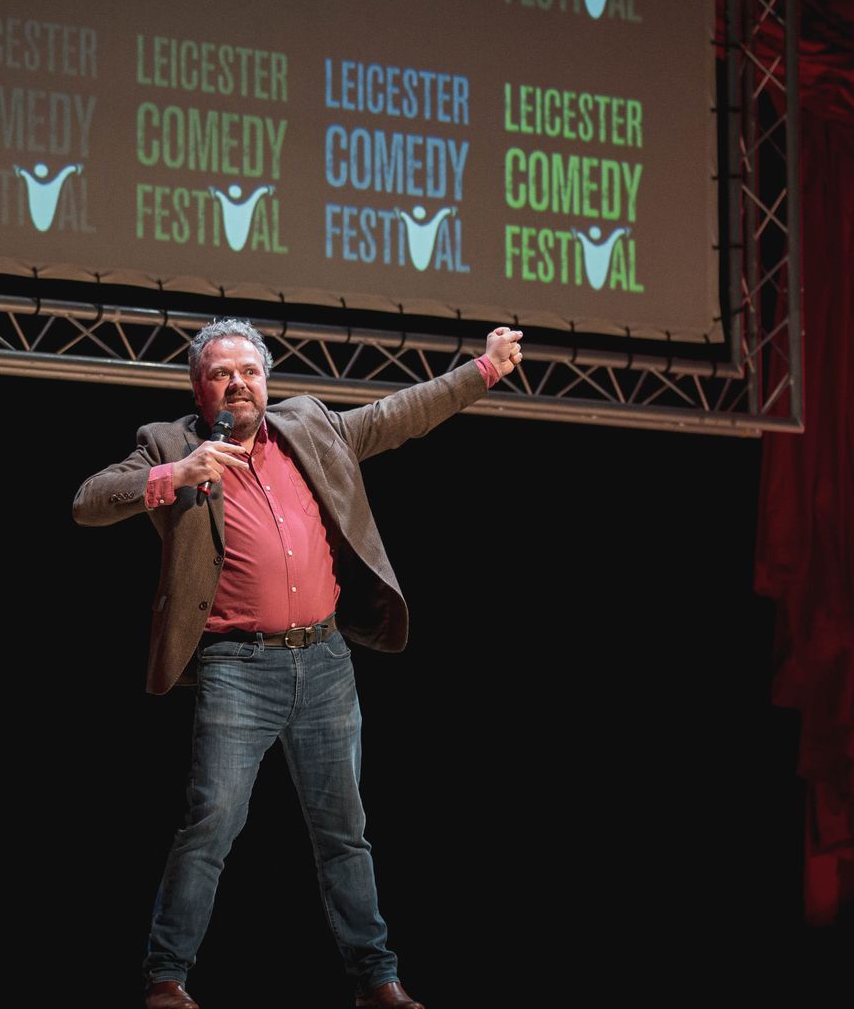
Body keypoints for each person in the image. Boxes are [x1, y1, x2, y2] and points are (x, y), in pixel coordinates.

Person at [73, 318, 525, 1009]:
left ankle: (378, 980)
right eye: (222, 373)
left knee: (344, 831)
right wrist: (175, 475)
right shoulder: (170, 443)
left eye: (249, 371)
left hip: (324, 662)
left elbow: (400, 414)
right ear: (201, 388)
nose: (238, 382)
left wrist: (485, 370)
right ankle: (166, 979)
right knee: (211, 822)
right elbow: (88, 502)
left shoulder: (311, 426)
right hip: (235, 667)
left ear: (266, 380)